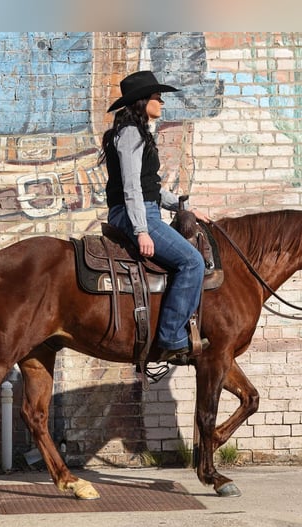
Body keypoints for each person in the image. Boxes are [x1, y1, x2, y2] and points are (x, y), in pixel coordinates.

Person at [101, 70, 210, 365]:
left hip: (143, 210)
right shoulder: (131, 135)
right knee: (192, 262)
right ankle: (171, 337)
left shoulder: (137, 133)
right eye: (156, 97)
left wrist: (182, 207)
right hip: (133, 215)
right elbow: (131, 186)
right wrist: (141, 230)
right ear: (142, 101)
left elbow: (151, 187)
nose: (161, 102)